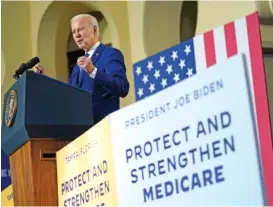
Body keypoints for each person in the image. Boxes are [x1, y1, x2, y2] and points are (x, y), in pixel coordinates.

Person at [35, 14, 129, 124]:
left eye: (80, 29)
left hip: (104, 127)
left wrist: (93, 71)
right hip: (80, 132)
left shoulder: (110, 54)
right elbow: (69, 96)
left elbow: (122, 87)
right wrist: (45, 81)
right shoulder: (77, 67)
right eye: (74, 32)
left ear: (94, 29)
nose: (77, 35)